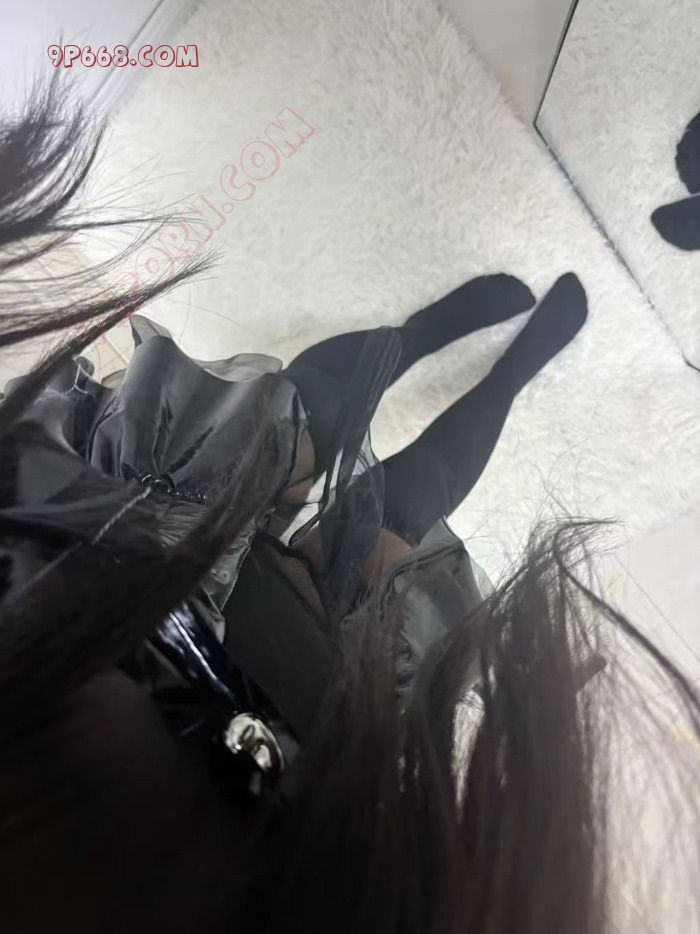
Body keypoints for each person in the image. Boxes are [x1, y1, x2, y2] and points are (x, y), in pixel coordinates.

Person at [0, 83, 698, 934]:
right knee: (388, 527)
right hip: (300, 771)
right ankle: (510, 376)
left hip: (104, 574)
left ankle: (414, 336)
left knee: (297, 419)